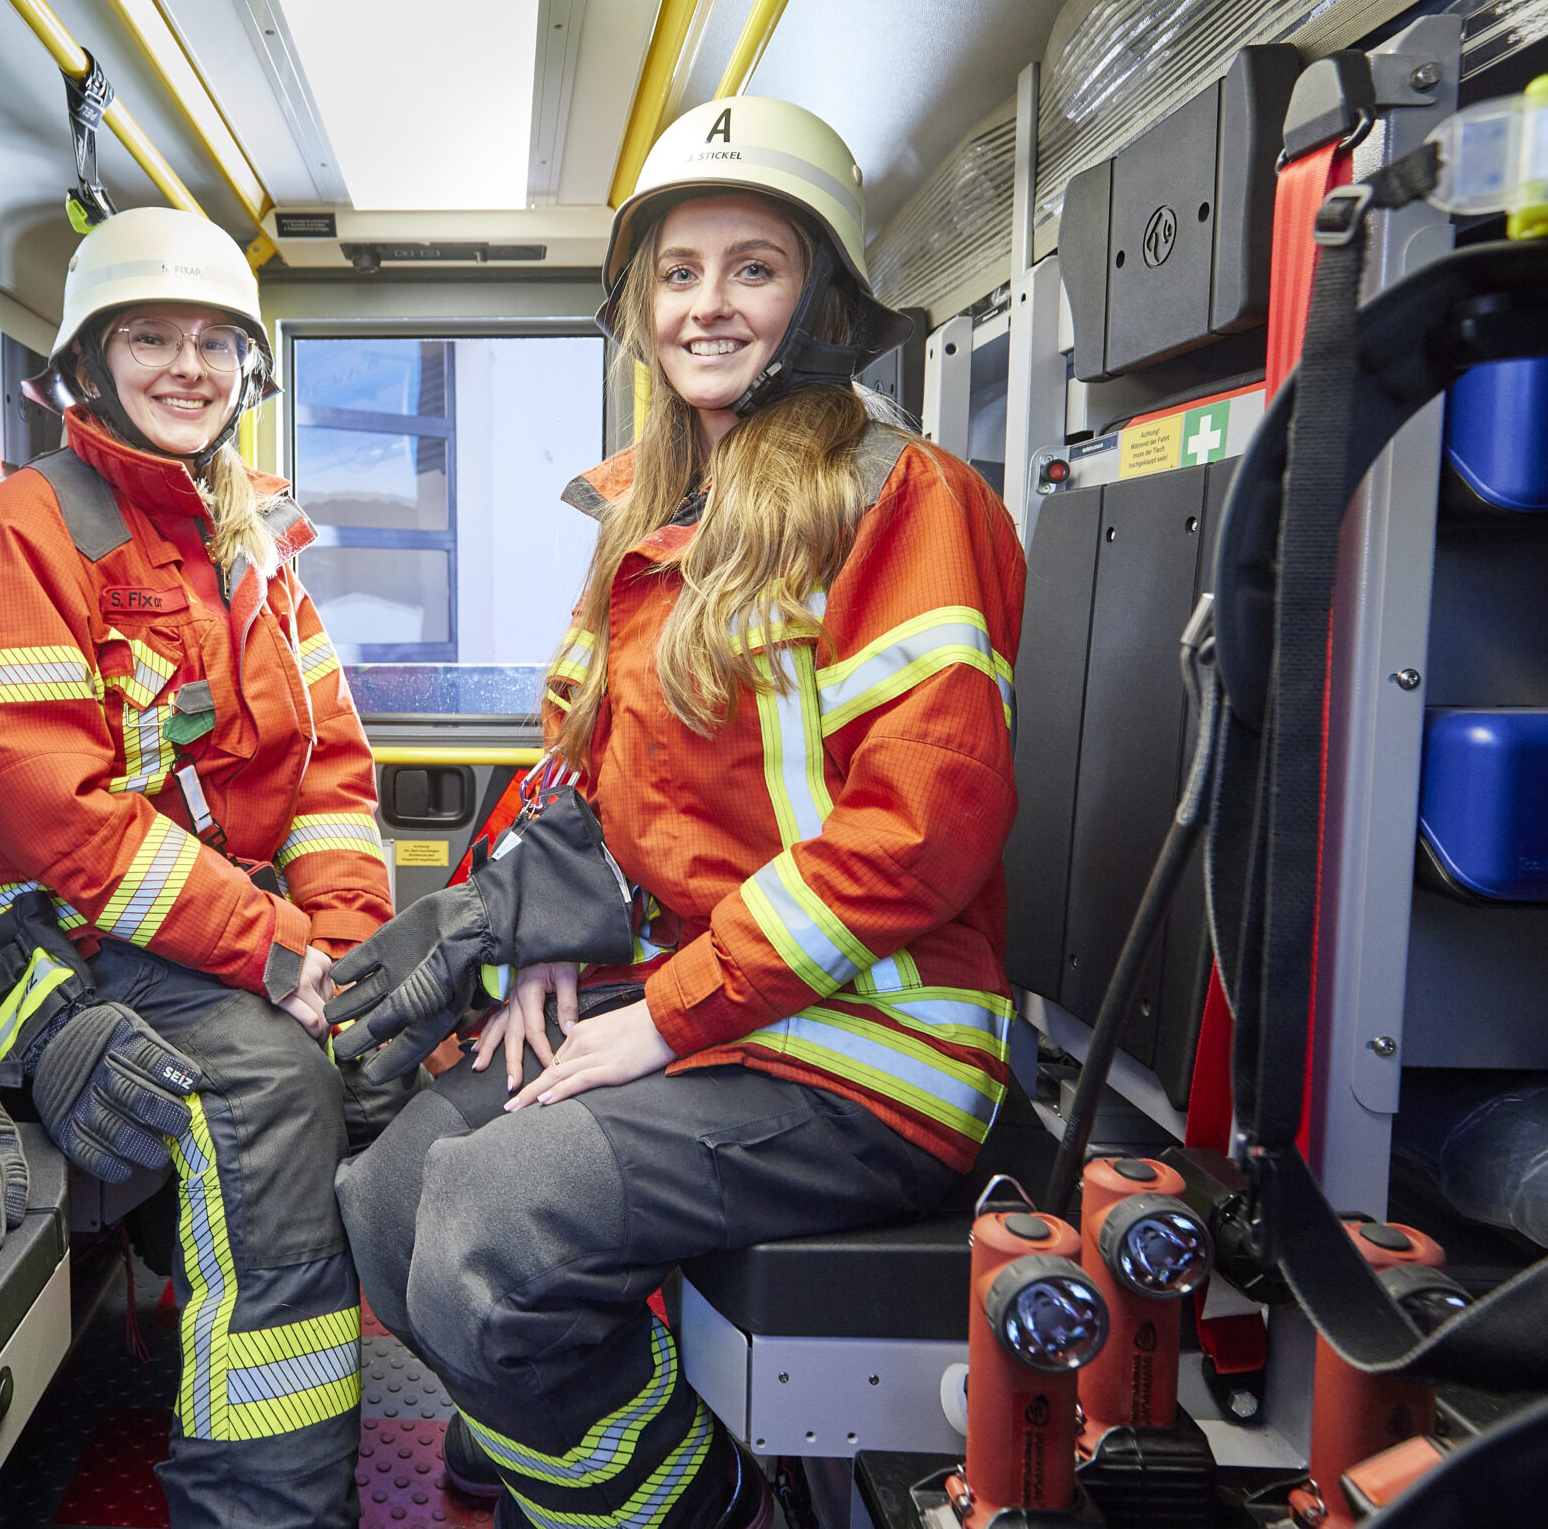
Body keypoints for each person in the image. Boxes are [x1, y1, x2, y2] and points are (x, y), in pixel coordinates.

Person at [331, 96, 1028, 1529]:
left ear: (820, 298)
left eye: (754, 266)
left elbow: (925, 823)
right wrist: (539, 936)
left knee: (488, 1222)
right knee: (390, 1191)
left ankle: (696, 1509)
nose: (709, 304)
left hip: (864, 1048)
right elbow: (585, 773)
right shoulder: (654, 526)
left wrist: (659, 1016)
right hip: (709, 1018)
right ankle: (578, 1451)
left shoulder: (903, 496)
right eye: (679, 270)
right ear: (640, 307)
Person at [0, 207, 393, 1528]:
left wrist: (344, 953)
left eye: (212, 344)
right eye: (149, 338)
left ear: (249, 371)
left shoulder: (253, 548)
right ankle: (261, 1505)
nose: (186, 366)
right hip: (55, 927)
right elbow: (45, 807)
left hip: (215, 923)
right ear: (90, 363)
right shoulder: (25, 529)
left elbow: (331, 780)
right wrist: (277, 956)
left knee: (399, 1045)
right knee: (266, 1089)